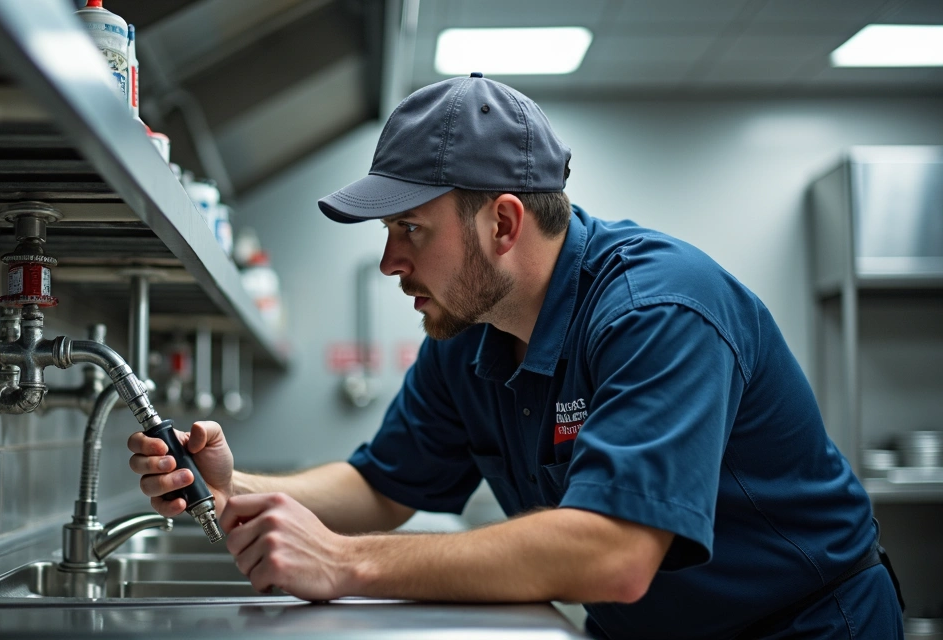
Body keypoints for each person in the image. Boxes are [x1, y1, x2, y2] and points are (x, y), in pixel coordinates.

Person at [128, 74, 904, 639]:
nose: (388, 262)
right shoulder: (468, 335)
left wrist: (346, 565)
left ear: (502, 222)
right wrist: (232, 486)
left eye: (411, 230)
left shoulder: (658, 311)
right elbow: (382, 484)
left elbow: (616, 553)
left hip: (802, 627)